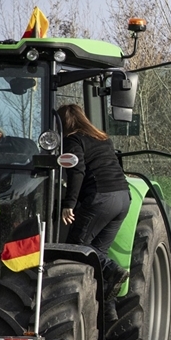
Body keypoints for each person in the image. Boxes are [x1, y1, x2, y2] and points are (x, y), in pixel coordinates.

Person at [58, 104, 130, 320]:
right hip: (123, 198)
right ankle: (109, 310)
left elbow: (77, 170)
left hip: (102, 198)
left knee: (76, 248)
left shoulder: (73, 140)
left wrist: (69, 204)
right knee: (98, 251)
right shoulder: (102, 138)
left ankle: (112, 269)